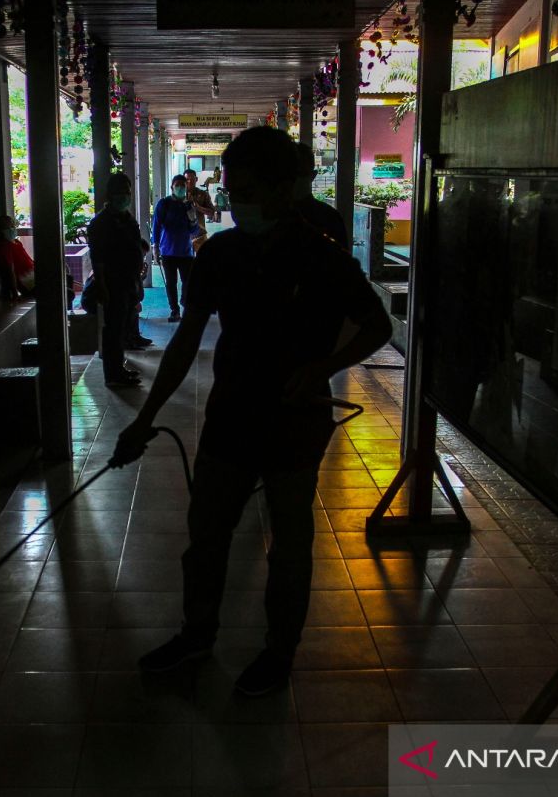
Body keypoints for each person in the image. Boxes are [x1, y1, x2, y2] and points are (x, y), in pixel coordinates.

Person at [114, 127, 393, 695]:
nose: (236, 202)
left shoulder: (322, 255)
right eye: (232, 189)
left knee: (289, 540)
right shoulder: (221, 253)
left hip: (297, 422)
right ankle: (197, 633)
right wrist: (144, 420)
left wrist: (321, 369)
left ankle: (279, 653)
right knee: (207, 533)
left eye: (247, 191)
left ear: (284, 188)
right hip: (231, 417)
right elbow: (186, 340)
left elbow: (378, 326)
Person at [87, 173, 149, 387]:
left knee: (122, 327)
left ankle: (118, 369)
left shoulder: (126, 217)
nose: (125, 197)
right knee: (113, 329)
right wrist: (103, 286)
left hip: (129, 281)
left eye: (128, 192)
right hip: (112, 283)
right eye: (121, 193)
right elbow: (98, 259)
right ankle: (112, 375)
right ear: (110, 195)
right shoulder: (100, 223)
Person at [151, 174, 200, 323]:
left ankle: (185, 304)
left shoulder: (189, 205)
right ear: (172, 186)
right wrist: (155, 246)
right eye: (177, 185)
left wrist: (192, 218)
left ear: (186, 188)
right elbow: (157, 226)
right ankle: (174, 311)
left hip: (186, 252)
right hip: (168, 252)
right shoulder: (164, 204)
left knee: (188, 282)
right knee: (171, 283)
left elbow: (195, 231)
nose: (180, 188)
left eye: (183, 186)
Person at [293, 143, 348, 247]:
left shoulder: (268, 216)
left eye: (300, 173)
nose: (294, 179)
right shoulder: (329, 216)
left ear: (313, 175)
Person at [0, 214, 35, 300]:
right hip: (28, 283)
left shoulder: (16, 242)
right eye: (7, 227)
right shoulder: (4, 247)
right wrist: (15, 293)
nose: (12, 229)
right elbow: (10, 271)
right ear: (0, 231)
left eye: (12, 226)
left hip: (33, 277)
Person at [183, 168, 215, 253]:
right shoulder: (179, 195)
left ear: (196, 179)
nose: (189, 182)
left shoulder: (203, 194)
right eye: (187, 179)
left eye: (192, 179)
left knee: (203, 262)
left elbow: (212, 212)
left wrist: (198, 207)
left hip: (200, 235)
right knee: (186, 264)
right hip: (183, 236)